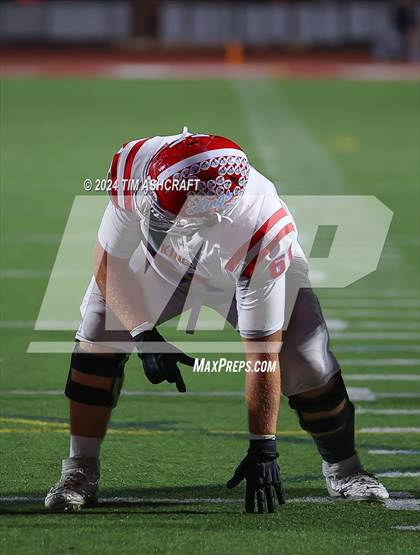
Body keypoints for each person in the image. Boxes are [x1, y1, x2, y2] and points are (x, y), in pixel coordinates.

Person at [45, 128, 388, 513]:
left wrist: (263, 446)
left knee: (306, 361)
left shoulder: (261, 231)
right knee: (98, 334)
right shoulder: (136, 165)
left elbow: (262, 355)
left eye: (172, 218)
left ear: (214, 215)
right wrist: (143, 333)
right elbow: (109, 259)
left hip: (236, 271)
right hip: (160, 269)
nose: (155, 219)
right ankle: (80, 469)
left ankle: (345, 469)